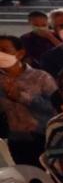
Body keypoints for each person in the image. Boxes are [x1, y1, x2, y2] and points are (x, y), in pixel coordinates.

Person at [0, 33, 57, 166]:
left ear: (20, 54)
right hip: (14, 139)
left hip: (43, 137)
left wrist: (21, 97)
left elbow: (55, 107)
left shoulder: (41, 77)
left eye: (4, 50)